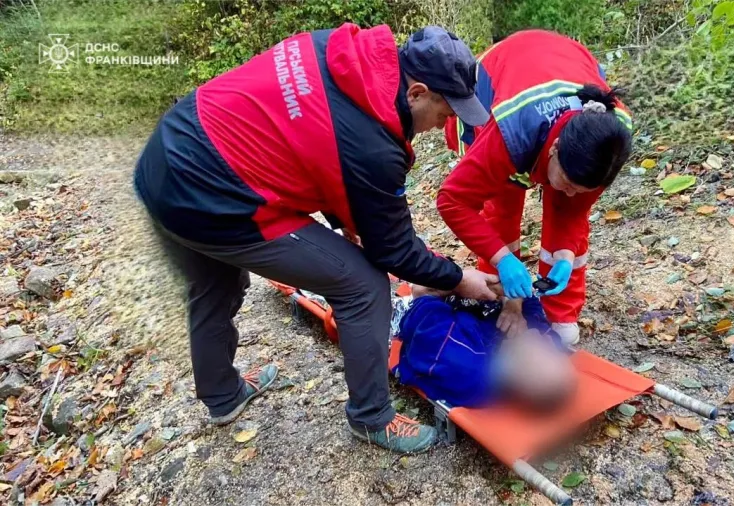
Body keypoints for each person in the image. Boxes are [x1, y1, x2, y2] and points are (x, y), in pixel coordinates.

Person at [133, 23, 497, 454]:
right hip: (214, 192)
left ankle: (223, 396)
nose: (443, 125)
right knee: (363, 285)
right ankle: (371, 418)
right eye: (445, 114)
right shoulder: (374, 146)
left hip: (168, 155)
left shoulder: (340, 51)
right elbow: (393, 250)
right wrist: (458, 278)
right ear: (416, 93)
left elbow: (316, 142)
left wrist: (346, 221)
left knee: (216, 281)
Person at [437, 30, 634, 346]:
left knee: (568, 203)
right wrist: (503, 261)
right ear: (555, 148)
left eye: (580, 188)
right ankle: (504, 300)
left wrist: (566, 256)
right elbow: (453, 200)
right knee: (502, 206)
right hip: (503, 76)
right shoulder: (509, 132)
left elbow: (572, 211)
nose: (571, 193)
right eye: (567, 182)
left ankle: (560, 312)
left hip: (564, 62)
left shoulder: (608, 145)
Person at [395, 284, 576, 410]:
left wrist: (459, 283)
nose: (549, 341)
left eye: (547, 353)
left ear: (513, 369)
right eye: (557, 352)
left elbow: (422, 298)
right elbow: (529, 297)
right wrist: (513, 305)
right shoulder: (537, 337)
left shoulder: (462, 366)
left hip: (425, 304)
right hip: (471, 299)